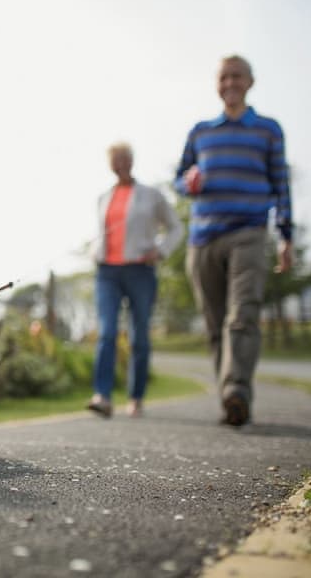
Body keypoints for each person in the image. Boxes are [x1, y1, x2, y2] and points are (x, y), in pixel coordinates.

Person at [175, 55, 292, 427]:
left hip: (249, 232)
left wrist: (286, 236)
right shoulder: (200, 131)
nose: (230, 83)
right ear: (216, 83)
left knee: (242, 314)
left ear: (250, 82)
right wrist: (187, 181)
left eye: (237, 76)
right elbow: (180, 178)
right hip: (204, 237)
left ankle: (236, 391)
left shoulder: (268, 130)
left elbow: (281, 184)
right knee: (214, 323)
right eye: (224, 77)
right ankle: (229, 393)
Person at [88, 143, 183, 418]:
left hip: (140, 270)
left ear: (132, 161)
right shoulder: (103, 197)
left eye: (124, 159)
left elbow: (176, 227)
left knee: (139, 335)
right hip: (107, 272)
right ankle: (102, 396)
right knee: (107, 332)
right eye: (115, 160)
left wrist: (161, 250)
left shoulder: (151, 195)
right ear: (110, 164)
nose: (120, 164)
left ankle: (136, 396)